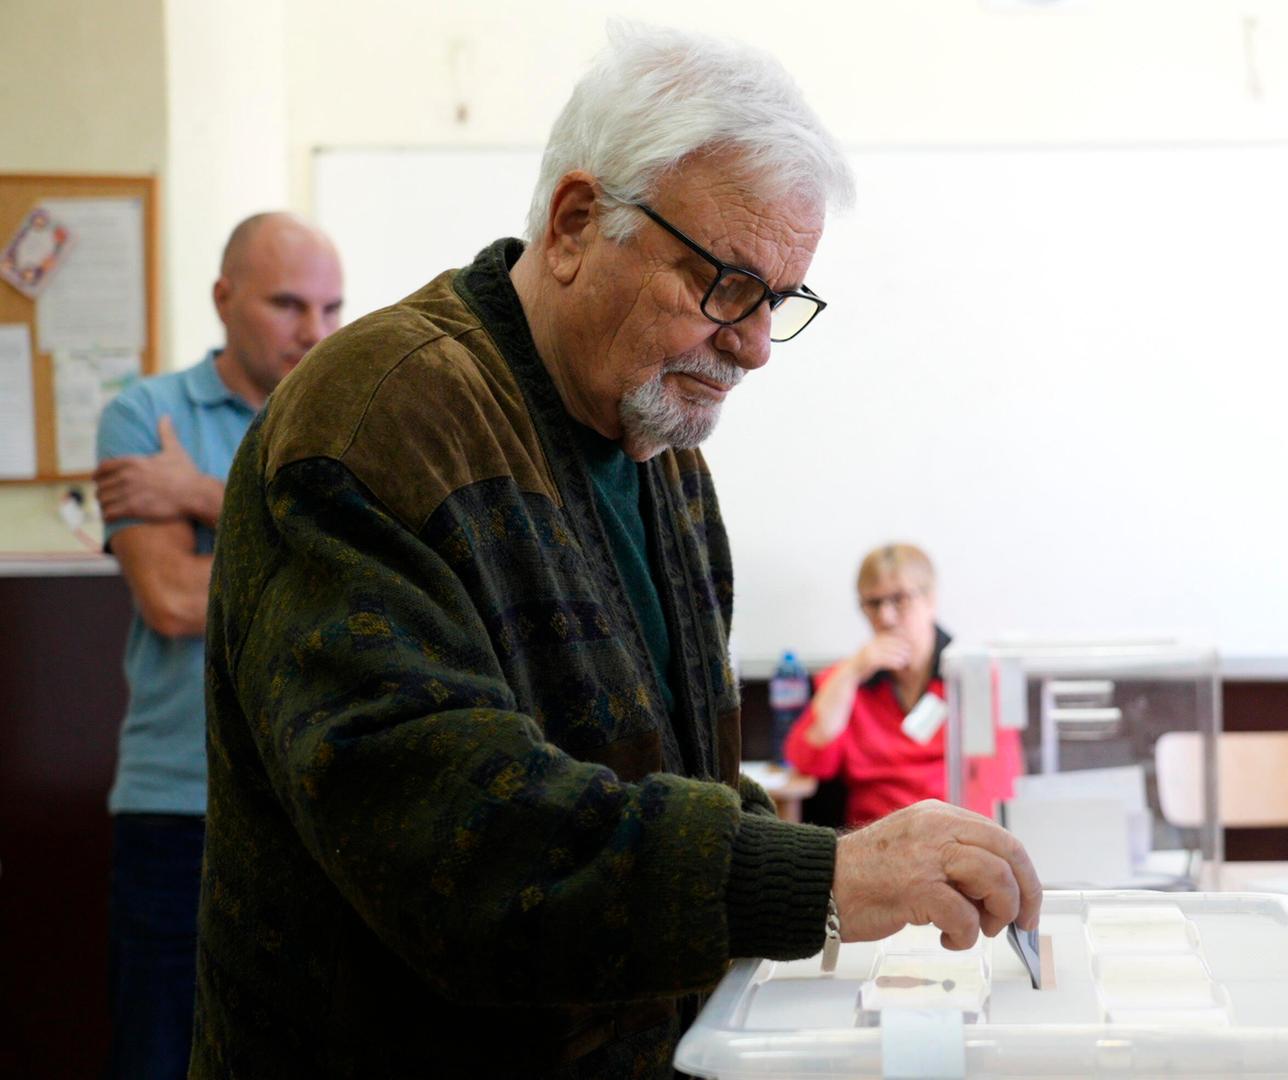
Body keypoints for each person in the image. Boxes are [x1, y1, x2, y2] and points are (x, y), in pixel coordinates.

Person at [190, 27, 1040, 1079]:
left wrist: (856, 862)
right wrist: (821, 878)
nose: (757, 343)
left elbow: (678, 778)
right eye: (727, 282)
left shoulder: (663, 453)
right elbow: (458, 849)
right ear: (575, 223)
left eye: (780, 299)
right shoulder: (374, 422)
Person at [91, 211, 342, 1079]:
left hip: (314, 809)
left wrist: (201, 495)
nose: (315, 333)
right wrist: (314, 568)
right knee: (157, 1057)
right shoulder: (144, 415)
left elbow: (356, 604)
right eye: (288, 305)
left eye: (331, 308)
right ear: (223, 298)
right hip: (174, 806)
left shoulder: (345, 425)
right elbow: (168, 598)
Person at [782, 543, 1024, 826]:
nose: (885, 617)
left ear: (930, 600)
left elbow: (998, 785)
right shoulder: (846, 681)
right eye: (873, 604)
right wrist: (853, 671)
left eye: (899, 599)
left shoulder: (974, 681)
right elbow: (809, 761)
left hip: (955, 838)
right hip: (876, 844)